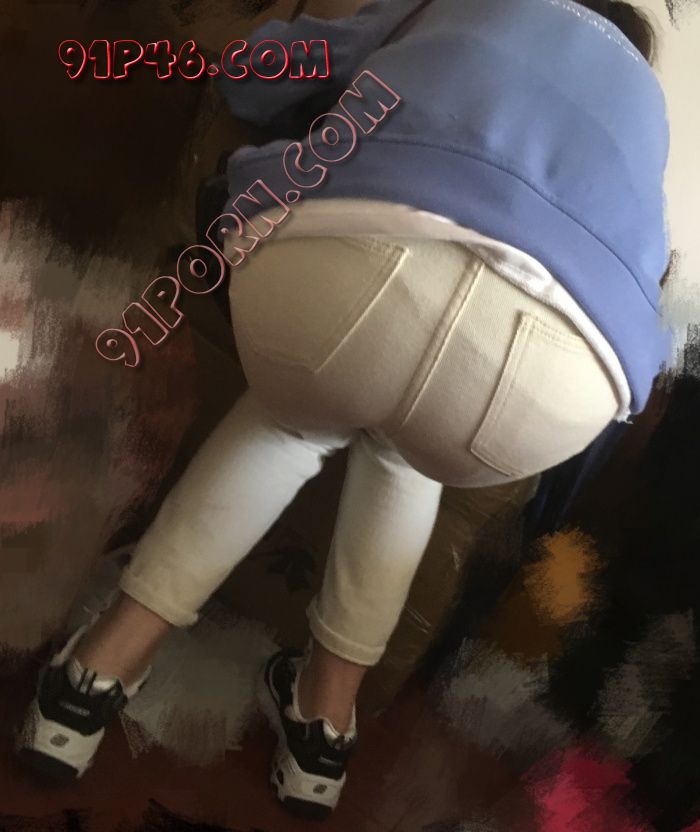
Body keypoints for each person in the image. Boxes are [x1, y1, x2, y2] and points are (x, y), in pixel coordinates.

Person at [17, 0, 670, 819]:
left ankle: (95, 676)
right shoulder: (646, 108)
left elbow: (274, 71)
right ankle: (323, 729)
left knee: (290, 418)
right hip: (564, 381)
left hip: (364, 258)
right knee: (406, 453)